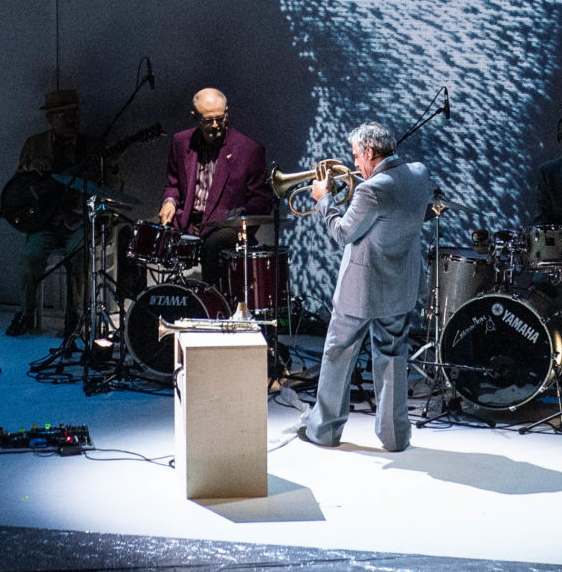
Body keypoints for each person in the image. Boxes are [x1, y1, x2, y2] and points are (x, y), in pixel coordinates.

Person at [298, 122, 432, 453]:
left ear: (370, 152)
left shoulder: (370, 191)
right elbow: (401, 210)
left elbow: (343, 233)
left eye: (357, 156)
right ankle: (395, 436)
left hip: (361, 291)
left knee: (338, 354)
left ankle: (324, 430)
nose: (355, 163)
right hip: (400, 287)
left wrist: (324, 199)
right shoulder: (419, 173)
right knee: (392, 356)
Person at [6, 88, 117, 337]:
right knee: (31, 257)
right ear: (50, 119)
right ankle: (25, 312)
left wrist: (108, 174)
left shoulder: (93, 146)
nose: (71, 120)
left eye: (74, 114)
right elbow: (19, 185)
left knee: (78, 254)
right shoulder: (35, 144)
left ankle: (75, 314)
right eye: (63, 115)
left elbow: (110, 189)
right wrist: (30, 168)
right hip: (45, 222)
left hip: (78, 221)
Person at [161, 88, 269, 235]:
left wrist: (238, 222)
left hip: (223, 230)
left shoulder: (249, 150)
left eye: (220, 119)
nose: (215, 125)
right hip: (185, 225)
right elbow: (173, 185)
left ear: (227, 113)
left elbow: (261, 200)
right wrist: (169, 201)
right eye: (208, 121)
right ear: (195, 117)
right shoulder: (180, 142)